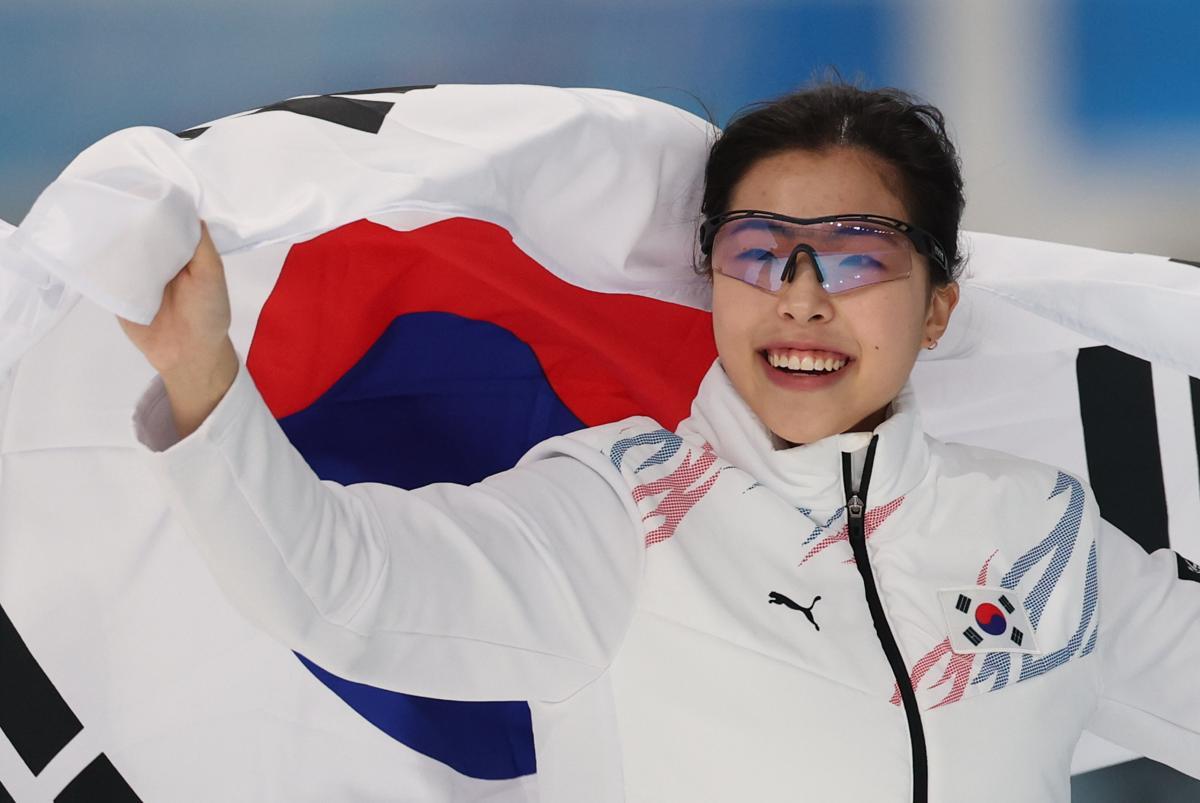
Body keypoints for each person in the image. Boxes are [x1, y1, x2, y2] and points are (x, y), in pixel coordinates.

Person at [117, 83, 1200, 802]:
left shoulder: (1038, 534)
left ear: (938, 308)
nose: (801, 297)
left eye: (857, 255)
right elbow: (335, 584)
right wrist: (202, 372)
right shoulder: (622, 515)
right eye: (758, 250)